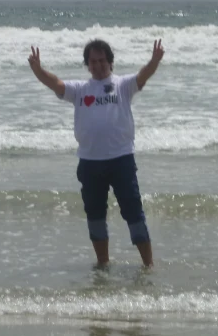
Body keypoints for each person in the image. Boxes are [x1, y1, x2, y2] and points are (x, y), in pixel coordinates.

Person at [28, 38, 164, 268]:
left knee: (133, 212)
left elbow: (143, 75)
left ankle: (148, 266)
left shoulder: (123, 85)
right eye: (93, 61)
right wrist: (38, 70)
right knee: (95, 216)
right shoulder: (81, 90)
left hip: (121, 159)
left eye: (102, 60)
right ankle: (103, 264)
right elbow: (56, 84)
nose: (98, 65)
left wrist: (154, 60)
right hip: (90, 162)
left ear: (110, 62)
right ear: (87, 64)